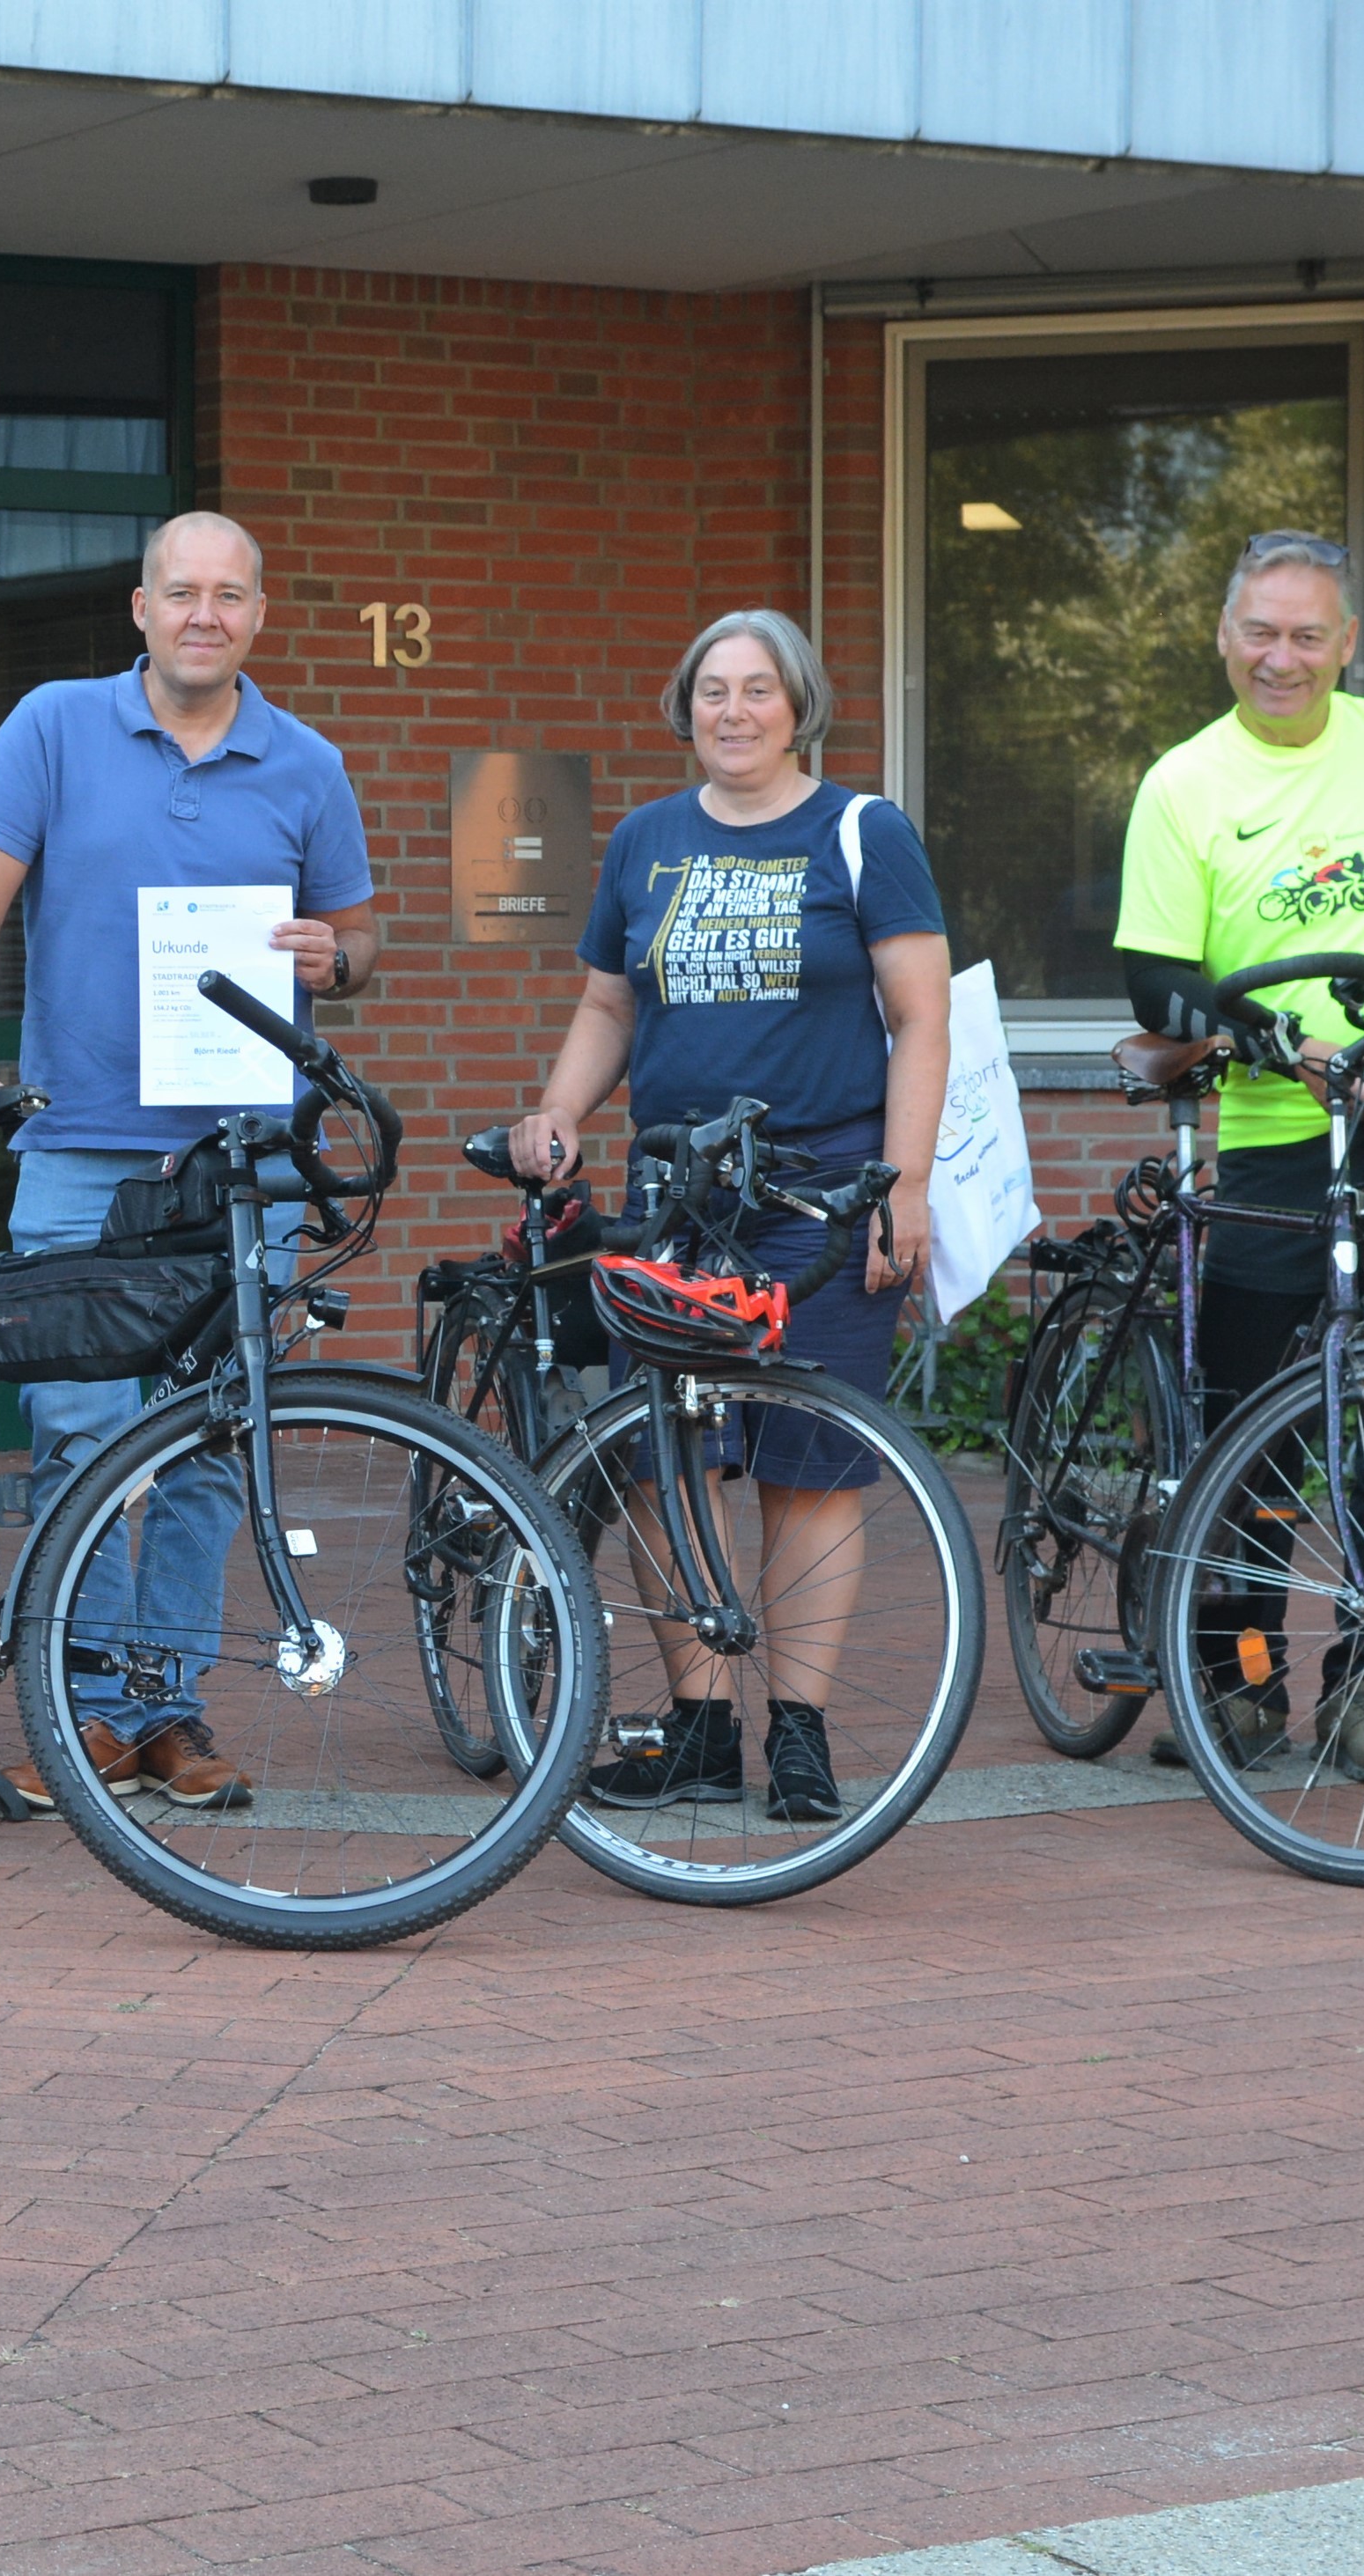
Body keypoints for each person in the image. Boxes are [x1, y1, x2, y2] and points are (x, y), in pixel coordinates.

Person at [0, 511, 373, 1813]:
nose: (203, 615)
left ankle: (160, 1712)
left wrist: (339, 956)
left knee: (213, 1442)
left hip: (247, 1165)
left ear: (258, 615)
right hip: (77, 1147)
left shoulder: (306, 764)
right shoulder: (53, 726)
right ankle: (84, 1709)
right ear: (139, 606)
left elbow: (359, 937)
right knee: (76, 1430)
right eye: (181, 593)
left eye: (228, 595)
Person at [505, 610, 947, 1822]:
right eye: (712, 691)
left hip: (823, 1185)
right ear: (684, 706)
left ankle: (795, 1733)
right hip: (674, 1194)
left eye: (757, 689)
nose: (734, 711)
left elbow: (920, 1017)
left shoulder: (861, 832)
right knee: (666, 1458)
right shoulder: (646, 839)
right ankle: (697, 1727)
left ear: (798, 704)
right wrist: (560, 1107)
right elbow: (607, 1005)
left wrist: (900, 1185)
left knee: (809, 1469)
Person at [1111, 529, 1364, 1782]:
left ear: (1346, 644)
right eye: (1258, 632)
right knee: (1256, 1426)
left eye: (1306, 635)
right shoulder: (1182, 782)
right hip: (1281, 1133)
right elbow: (1154, 976)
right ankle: (1238, 1680)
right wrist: (1265, 1037)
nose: (1279, 657)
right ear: (1222, 636)